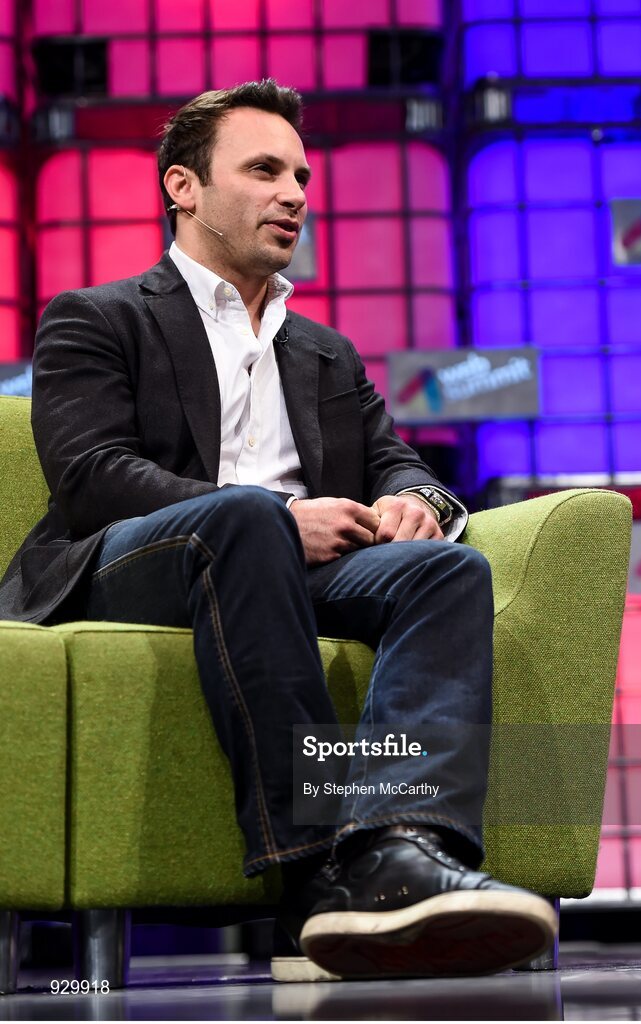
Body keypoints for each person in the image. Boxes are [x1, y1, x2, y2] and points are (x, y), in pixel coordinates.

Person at [0, 80, 557, 981]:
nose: (295, 192)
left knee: (445, 572)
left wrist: (421, 504)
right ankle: (313, 873)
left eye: (301, 173)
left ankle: (401, 845)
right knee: (246, 515)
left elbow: (395, 461)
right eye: (263, 170)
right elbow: (94, 477)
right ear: (183, 186)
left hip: (281, 566)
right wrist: (282, 515)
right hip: (132, 562)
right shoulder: (97, 318)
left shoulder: (326, 351)